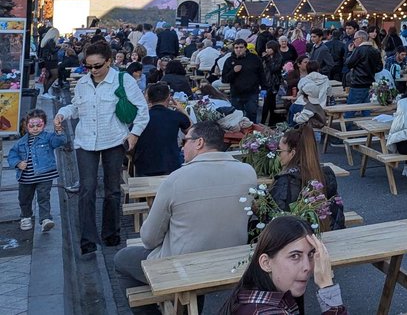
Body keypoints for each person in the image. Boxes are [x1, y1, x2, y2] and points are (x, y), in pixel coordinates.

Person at [115, 121, 258, 315]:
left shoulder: (176, 179)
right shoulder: (248, 172)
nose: (182, 147)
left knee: (122, 258)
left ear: (199, 143)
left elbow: (149, 239)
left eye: (185, 141)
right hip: (233, 258)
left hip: (185, 265)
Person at [55, 41, 149, 254]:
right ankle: (87, 240)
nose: (93, 71)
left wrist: (134, 134)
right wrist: (63, 113)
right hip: (86, 140)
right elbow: (76, 107)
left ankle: (111, 233)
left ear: (109, 61)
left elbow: (143, 110)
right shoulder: (83, 83)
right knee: (86, 189)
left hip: (113, 140)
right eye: (88, 67)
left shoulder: (123, 80)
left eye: (97, 66)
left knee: (112, 190)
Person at [221, 216, 347, 315]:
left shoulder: (249, 298)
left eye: (310, 254)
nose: (307, 267)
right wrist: (326, 286)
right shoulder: (266, 312)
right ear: (266, 263)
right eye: (295, 256)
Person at [271, 125, 346, 230]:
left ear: (292, 153)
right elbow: (337, 214)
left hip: (298, 240)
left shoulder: (286, 181)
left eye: (279, 151)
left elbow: (276, 221)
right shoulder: (326, 174)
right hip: (328, 233)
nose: (277, 155)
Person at [7, 109, 68, 232]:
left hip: (45, 175)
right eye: (32, 125)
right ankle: (25, 217)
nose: (35, 128)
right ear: (26, 126)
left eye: (38, 125)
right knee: (24, 198)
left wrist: (59, 130)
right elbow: (12, 155)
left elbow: (60, 141)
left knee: (43, 197)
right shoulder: (21, 142)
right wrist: (18, 163)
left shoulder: (48, 138)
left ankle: (45, 218)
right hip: (26, 177)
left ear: (44, 125)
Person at [133, 83, 192, 177]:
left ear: (148, 98)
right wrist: (183, 111)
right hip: (170, 165)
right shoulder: (176, 116)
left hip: (144, 166)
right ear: (169, 98)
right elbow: (193, 132)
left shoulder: (140, 118)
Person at [222, 39, 266, 124]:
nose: (238, 49)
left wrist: (264, 88)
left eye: (241, 47)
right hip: (236, 93)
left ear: (245, 48)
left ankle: (252, 134)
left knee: (252, 115)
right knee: (237, 117)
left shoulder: (254, 59)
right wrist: (233, 71)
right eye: (236, 47)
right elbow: (224, 79)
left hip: (252, 92)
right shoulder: (229, 60)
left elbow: (261, 74)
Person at [343, 30, 383, 108]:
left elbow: (348, 64)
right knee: (367, 108)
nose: (353, 41)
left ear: (360, 39)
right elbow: (380, 67)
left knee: (350, 109)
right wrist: (371, 70)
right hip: (370, 83)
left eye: (355, 39)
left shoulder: (359, 50)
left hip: (358, 83)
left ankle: (349, 120)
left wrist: (350, 52)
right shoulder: (375, 50)